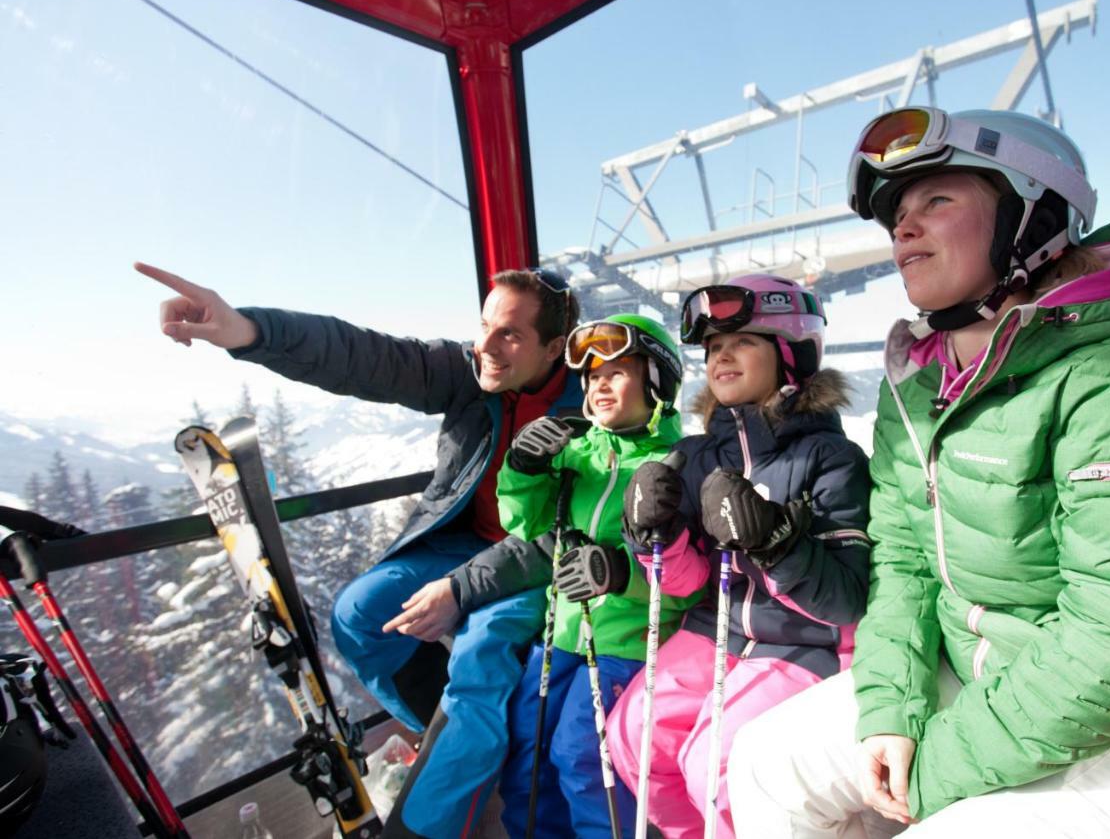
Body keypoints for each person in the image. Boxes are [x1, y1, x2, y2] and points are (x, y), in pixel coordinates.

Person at [727, 107, 1110, 838]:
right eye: (897, 214)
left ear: (1031, 216)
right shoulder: (918, 390)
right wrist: (892, 708)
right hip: (985, 686)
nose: (903, 230)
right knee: (765, 760)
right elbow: (905, 564)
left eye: (937, 200)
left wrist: (937, 765)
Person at [135, 261, 584, 839]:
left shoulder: (591, 406)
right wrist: (247, 330)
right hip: (464, 544)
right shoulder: (468, 375)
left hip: (531, 562)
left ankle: (428, 819)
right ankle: (467, 746)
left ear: (554, 349)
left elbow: (573, 532)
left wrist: (460, 591)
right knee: (361, 616)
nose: (486, 347)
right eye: (484, 326)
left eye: (510, 335)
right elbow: (363, 356)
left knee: (477, 662)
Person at [605, 274, 872, 838]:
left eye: (743, 342)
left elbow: (846, 601)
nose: (722, 357)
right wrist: (652, 536)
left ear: (791, 355)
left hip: (805, 644)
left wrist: (774, 542)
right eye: (713, 349)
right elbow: (681, 582)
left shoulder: (831, 458)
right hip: (715, 630)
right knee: (634, 735)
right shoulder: (694, 455)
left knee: (717, 762)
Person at [495, 314, 702, 838]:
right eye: (590, 375)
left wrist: (619, 574)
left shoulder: (678, 465)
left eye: (617, 371)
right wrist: (522, 466)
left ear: (656, 379)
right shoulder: (577, 453)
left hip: (625, 643)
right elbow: (522, 521)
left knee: (585, 761)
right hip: (561, 634)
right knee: (528, 751)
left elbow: (689, 580)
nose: (599, 383)